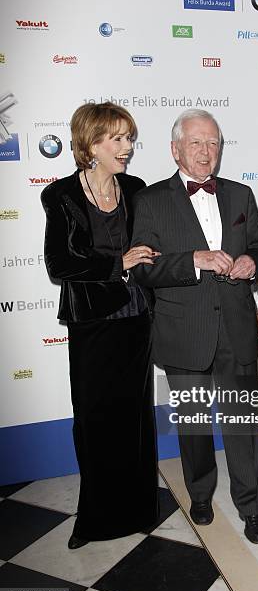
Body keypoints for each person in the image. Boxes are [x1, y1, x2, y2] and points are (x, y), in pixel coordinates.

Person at [131, 109, 258, 543]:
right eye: (196, 143)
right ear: (175, 149)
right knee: (193, 424)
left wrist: (252, 265)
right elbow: (144, 271)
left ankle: (251, 506)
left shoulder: (241, 195)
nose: (206, 152)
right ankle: (201, 494)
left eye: (213, 143)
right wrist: (193, 260)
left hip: (237, 328)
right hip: (183, 331)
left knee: (244, 425)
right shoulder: (150, 201)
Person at [41, 102, 159, 549]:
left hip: (136, 319)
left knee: (136, 418)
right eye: (117, 139)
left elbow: (150, 244)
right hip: (92, 321)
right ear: (91, 144)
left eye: (129, 138)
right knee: (94, 420)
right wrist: (118, 262)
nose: (127, 147)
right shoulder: (61, 195)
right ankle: (93, 518)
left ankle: (139, 509)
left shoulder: (135, 187)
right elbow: (60, 263)